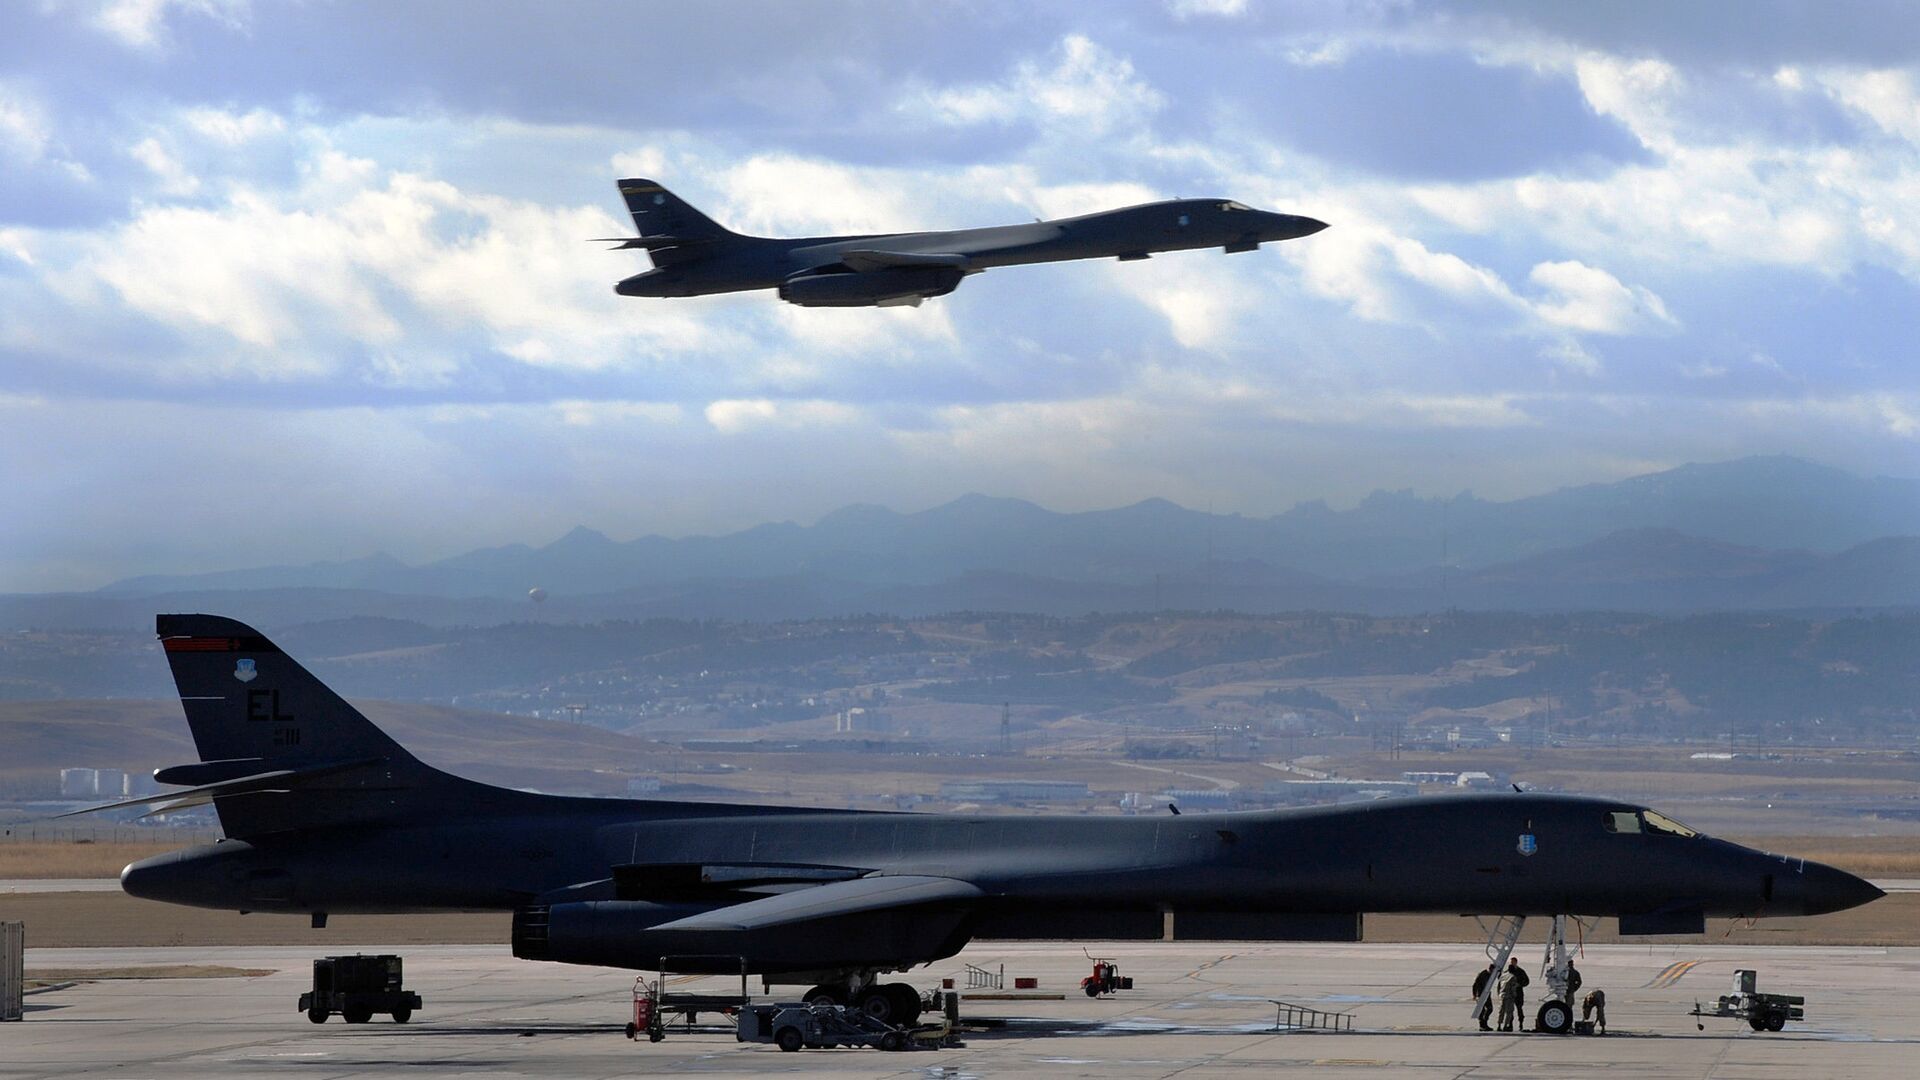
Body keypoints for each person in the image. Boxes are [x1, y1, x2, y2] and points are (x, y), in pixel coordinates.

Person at [1497, 957, 1531, 1032]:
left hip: (1518, 993)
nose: (1512, 963)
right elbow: (1501, 982)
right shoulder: (1507, 972)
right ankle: (1509, 1025)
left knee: (1519, 1009)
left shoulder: (1521, 972)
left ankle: (1520, 1024)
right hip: (1510, 994)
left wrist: (1519, 985)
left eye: (1513, 962)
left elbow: (1527, 981)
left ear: (1516, 962)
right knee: (1509, 1011)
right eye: (1511, 962)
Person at [1470, 962, 1497, 1030]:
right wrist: (1474, 995)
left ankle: (1484, 1023)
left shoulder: (1491, 975)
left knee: (1489, 1009)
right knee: (1482, 1010)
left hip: (1486, 994)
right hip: (1480, 994)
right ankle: (1482, 1025)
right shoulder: (1482, 974)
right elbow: (1475, 984)